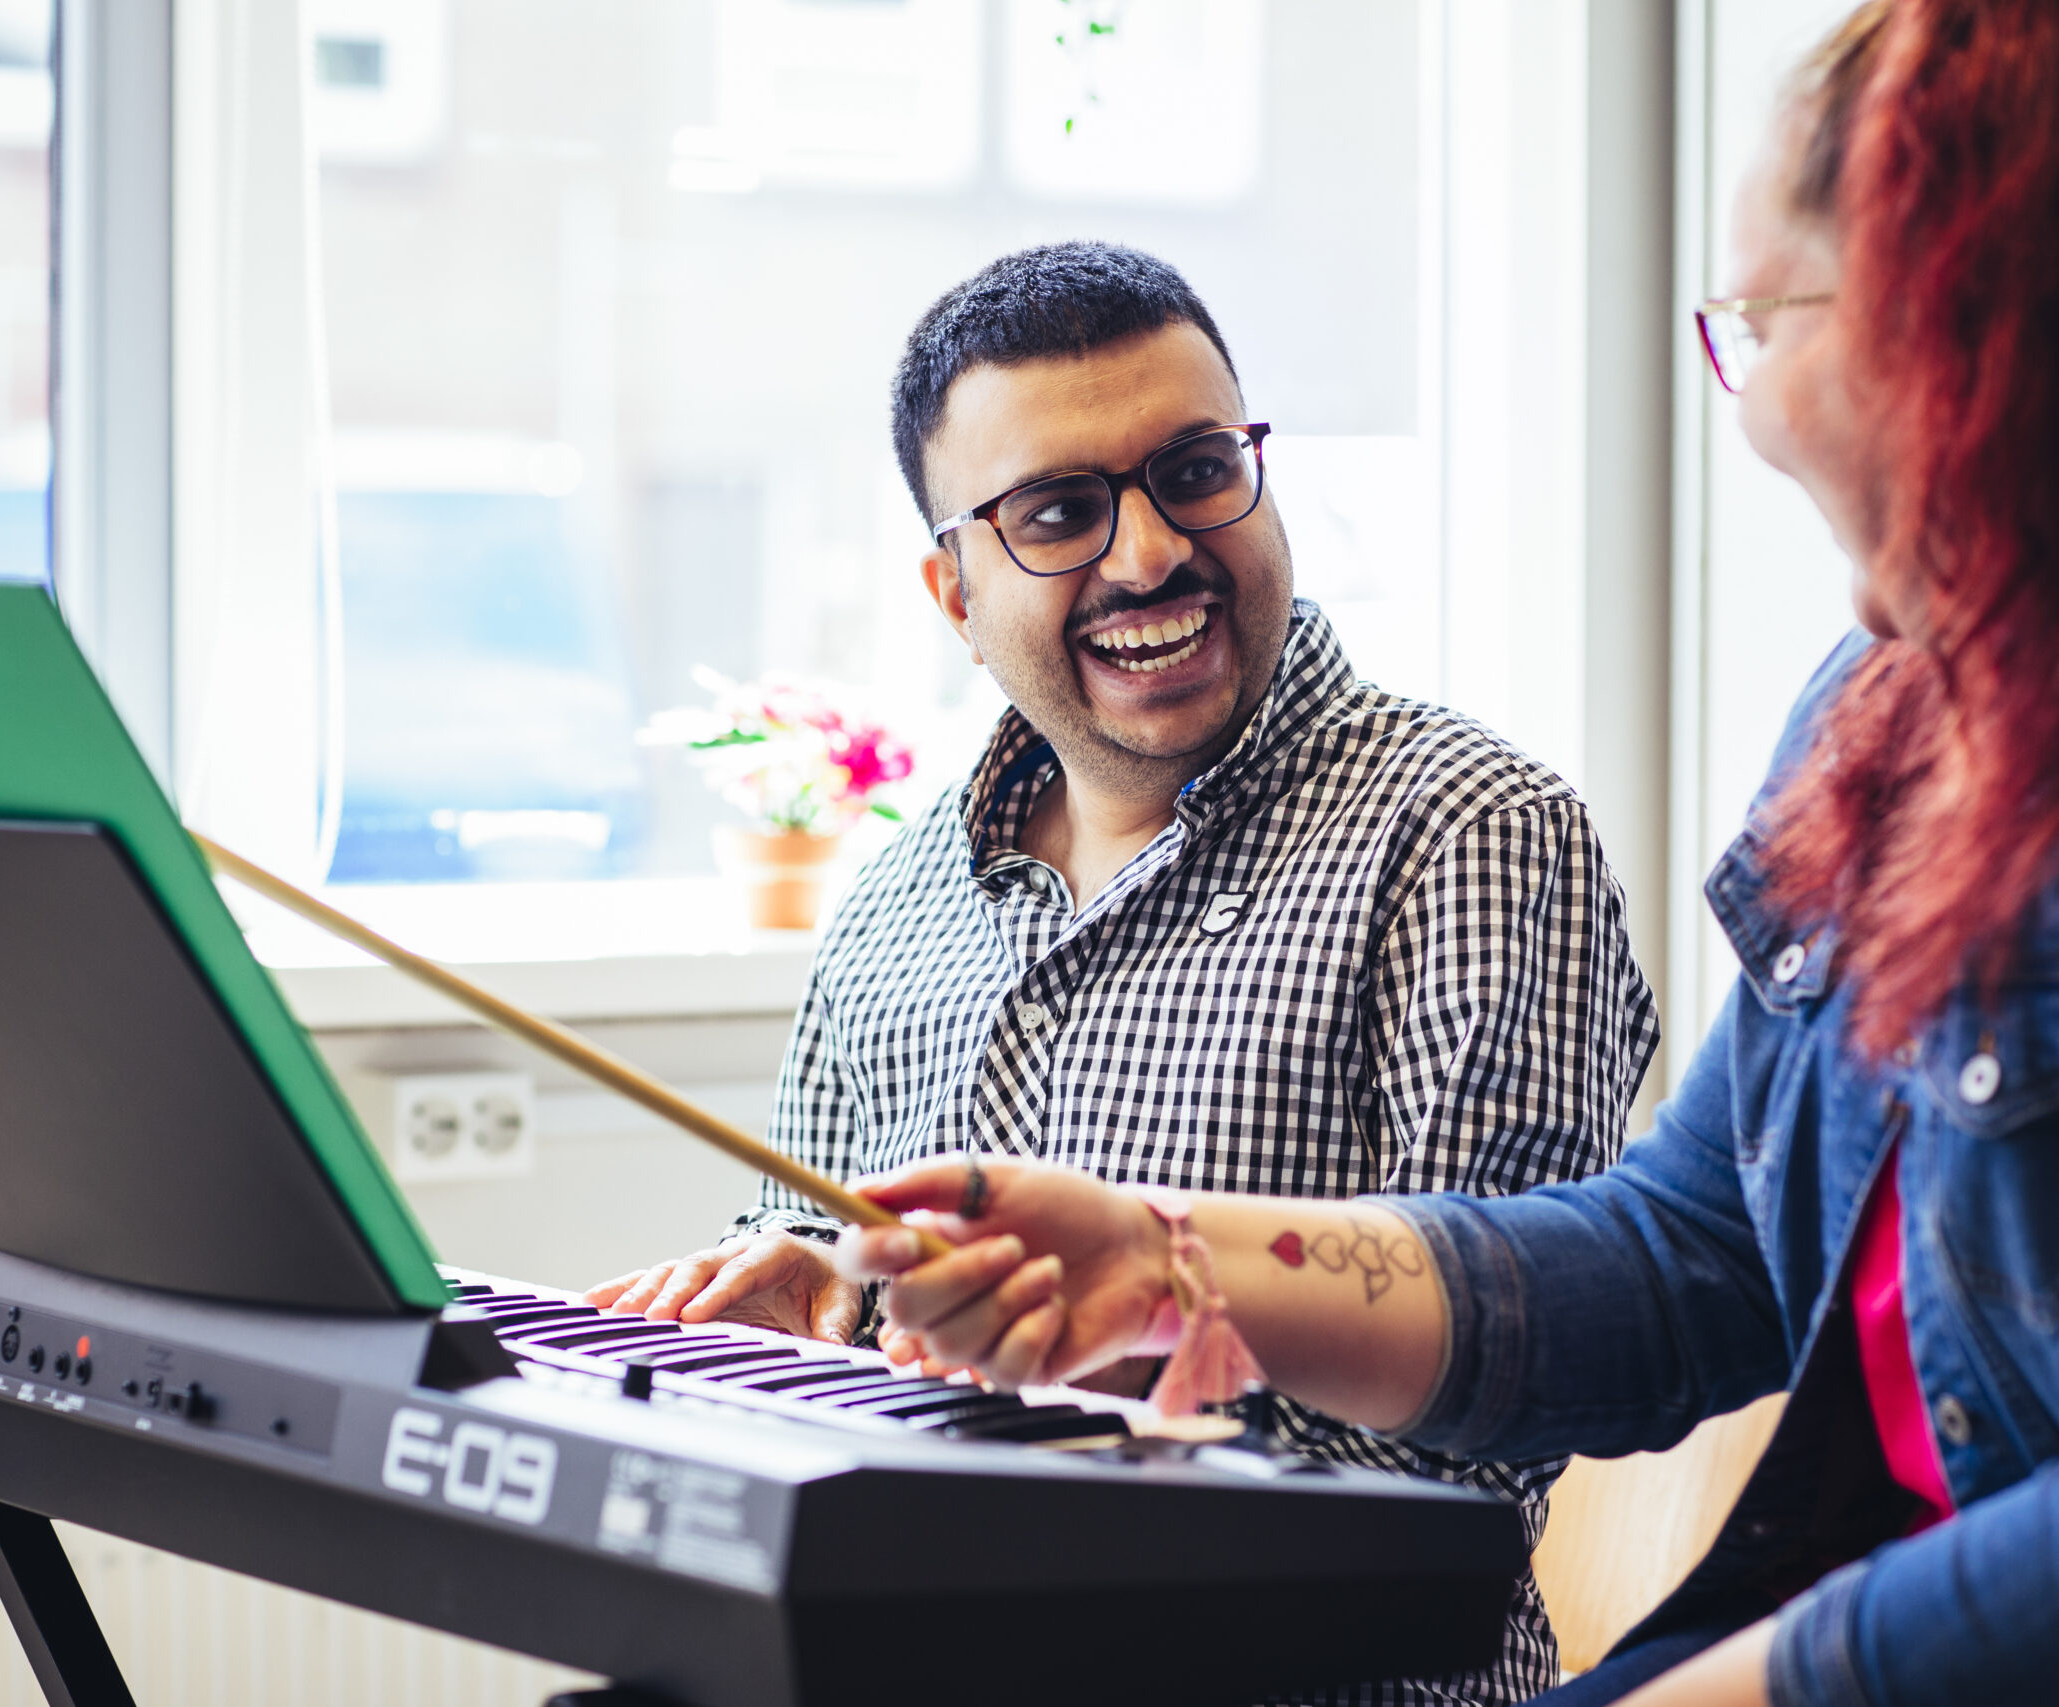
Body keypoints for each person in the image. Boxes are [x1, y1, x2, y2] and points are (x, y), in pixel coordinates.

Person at [839, 3, 2059, 1703]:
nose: (1754, 410)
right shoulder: (1890, 712)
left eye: (1763, 322)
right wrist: (1171, 1255)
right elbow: (1686, 1255)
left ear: (1989, 337)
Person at [587, 242, 1660, 1702]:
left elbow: (1479, 1448)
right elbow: (831, 1283)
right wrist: (810, 1305)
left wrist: (1101, 1378)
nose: (1151, 552)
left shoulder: (1468, 835)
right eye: (1058, 513)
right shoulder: (898, 899)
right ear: (953, 591)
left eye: (1198, 469)